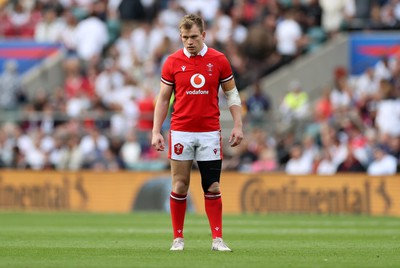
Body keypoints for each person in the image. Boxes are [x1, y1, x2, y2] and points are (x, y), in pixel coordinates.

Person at [151, 14, 243, 251]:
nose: (189, 42)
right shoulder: (172, 61)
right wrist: (156, 131)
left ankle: (217, 240)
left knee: (212, 186)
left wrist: (238, 125)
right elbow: (163, 99)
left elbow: (232, 94)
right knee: (180, 185)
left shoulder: (219, 60)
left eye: (193, 37)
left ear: (203, 35)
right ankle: (178, 239)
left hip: (209, 132)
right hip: (181, 130)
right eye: (184, 37)